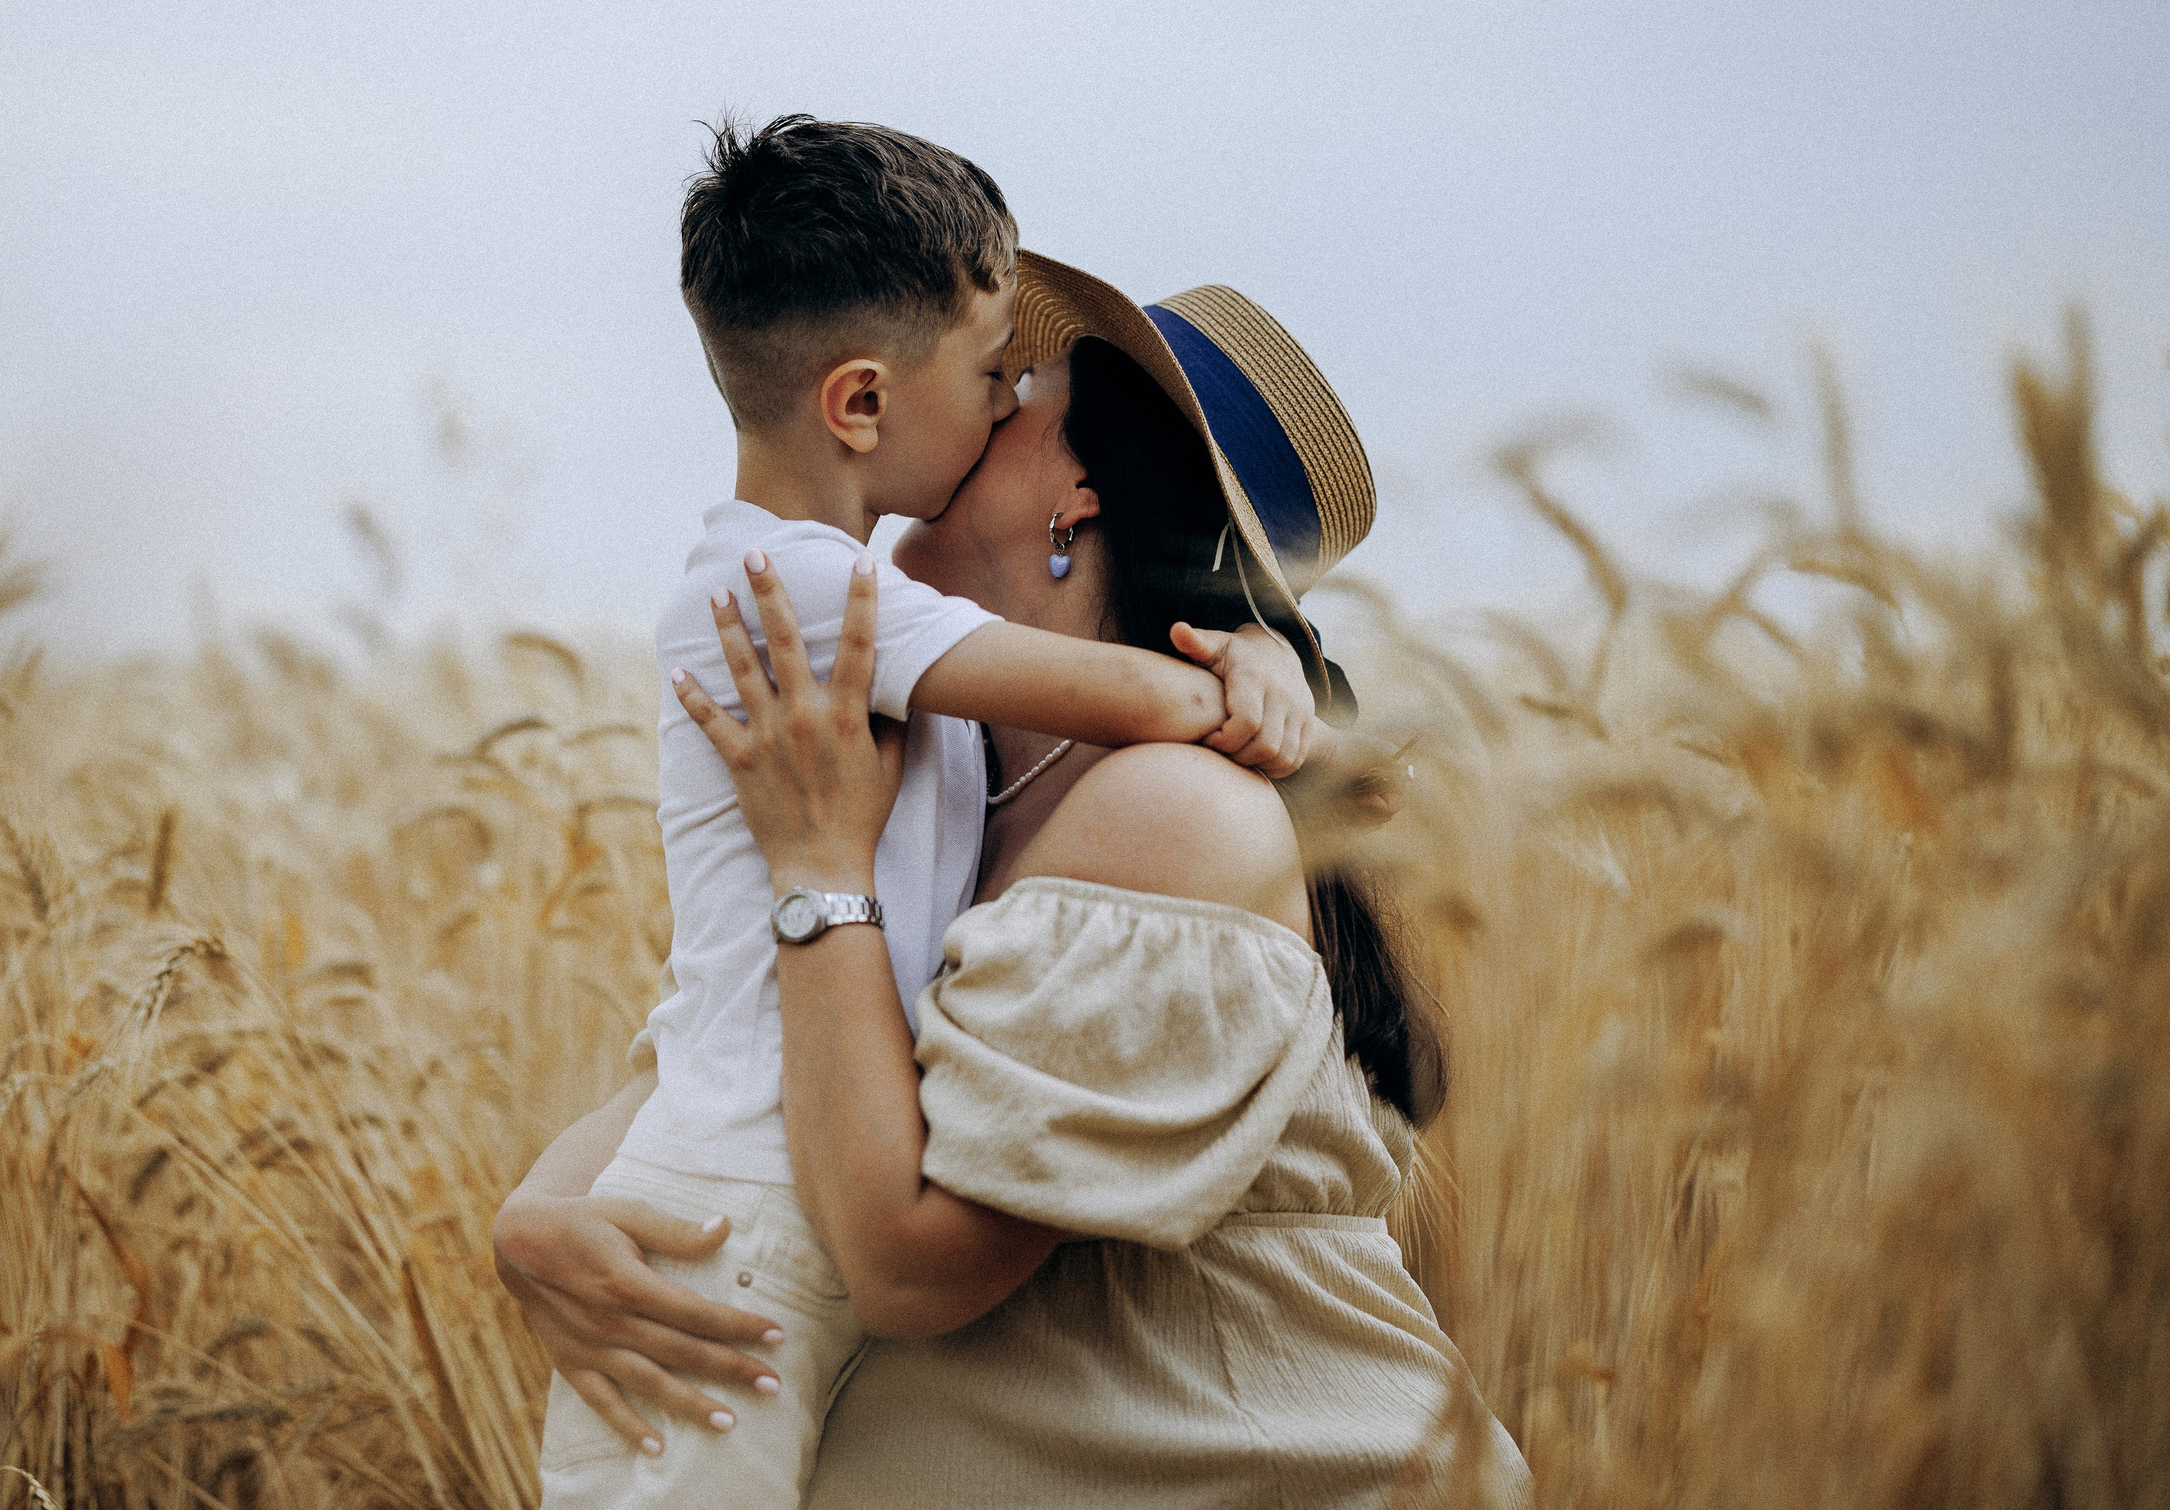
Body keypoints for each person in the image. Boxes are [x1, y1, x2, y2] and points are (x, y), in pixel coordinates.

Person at [503, 251, 1531, 1506]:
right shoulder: (955, 778)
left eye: (1009, 389)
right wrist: (539, 1216)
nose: (967, 409)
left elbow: (908, 1265)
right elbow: (738, 1052)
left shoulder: (1175, 814)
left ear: (1077, 496)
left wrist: (821, 869)